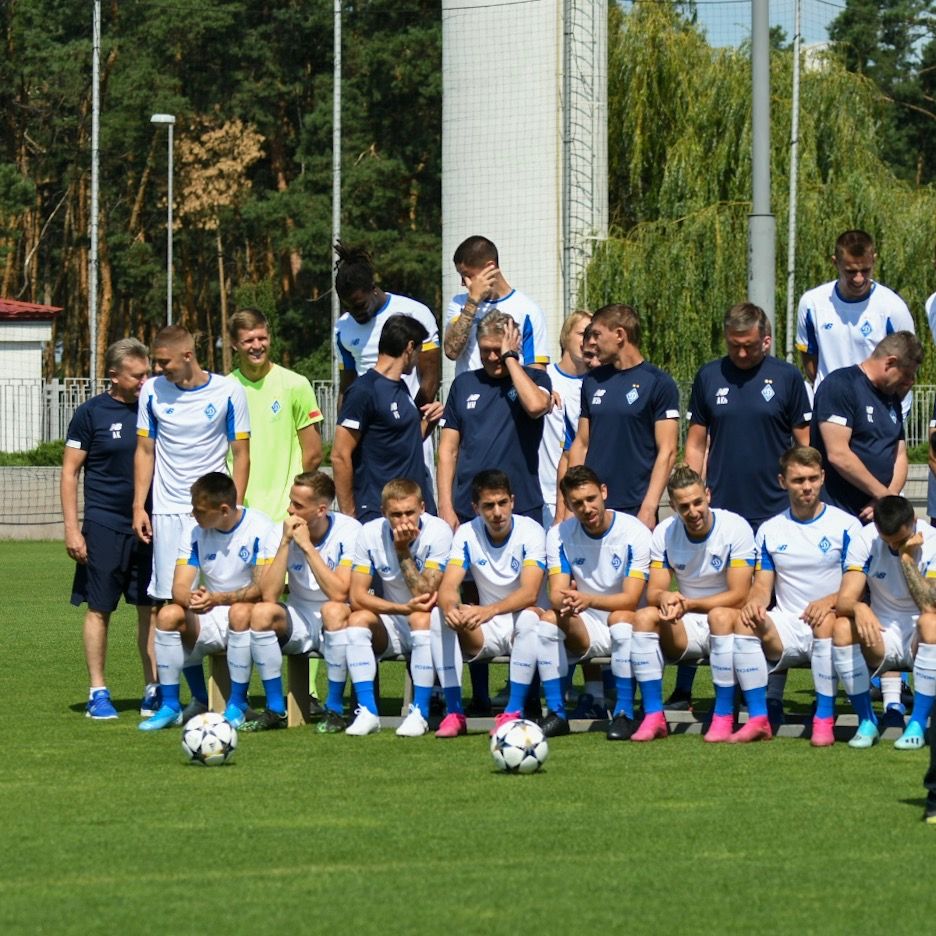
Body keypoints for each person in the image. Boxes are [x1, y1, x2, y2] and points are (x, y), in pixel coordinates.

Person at [677, 302, 812, 719]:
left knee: (765, 600)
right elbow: (697, 441)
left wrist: (800, 492)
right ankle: (704, 686)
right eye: (734, 346)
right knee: (716, 593)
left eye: (748, 346)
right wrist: (690, 487)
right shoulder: (709, 376)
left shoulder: (787, 378)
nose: (740, 353)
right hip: (723, 510)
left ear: (765, 340)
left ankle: (769, 691)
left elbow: (804, 446)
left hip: (773, 509)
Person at [706, 446, 862, 745]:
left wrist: (829, 602)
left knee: (825, 622)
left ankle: (824, 719)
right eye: (798, 480)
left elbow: (856, 584)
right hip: (788, 624)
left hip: (831, 620)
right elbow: (764, 584)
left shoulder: (847, 526)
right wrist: (754, 602)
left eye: (812, 479)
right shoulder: (770, 529)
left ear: (823, 478)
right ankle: (758, 718)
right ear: (782, 481)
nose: (807, 487)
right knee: (744, 621)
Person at [134, 325, 251, 715]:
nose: (158, 368)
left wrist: (233, 507)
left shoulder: (228, 390)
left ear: (187, 355)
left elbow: (241, 453)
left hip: (212, 514)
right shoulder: (151, 390)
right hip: (168, 512)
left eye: (163, 361)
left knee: (229, 600)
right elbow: (145, 450)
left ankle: (236, 698)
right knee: (174, 605)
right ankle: (192, 700)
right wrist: (140, 506)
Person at [62, 338, 157, 719]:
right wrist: (72, 529)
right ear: (114, 376)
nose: (144, 381)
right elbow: (69, 473)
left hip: (150, 525)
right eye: (137, 375)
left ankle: (154, 688)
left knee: (150, 609)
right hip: (103, 525)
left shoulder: (155, 408)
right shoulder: (90, 413)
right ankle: (98, 693)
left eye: (148, 373)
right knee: (100, 609)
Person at [139, 472, 279, 731]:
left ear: (224, 509)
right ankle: (174, 704)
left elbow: (264, 590)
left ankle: (237, 703)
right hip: (210, 612)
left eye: (200, 510)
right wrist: (192, 600)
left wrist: (216, 598)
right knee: (168, 614)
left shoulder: (261, 527)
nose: (194, 515)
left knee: (239, 612)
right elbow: (178, 586)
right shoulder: (194, 532)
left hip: (251, 617)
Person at [629, 466, 755, 743]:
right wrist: (665, 598)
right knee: (644, 617)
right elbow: (656, 591)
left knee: (720, 616)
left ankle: (723, 715)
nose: (693, 511)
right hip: (688, 622)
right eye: (684, 506)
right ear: (673, 506)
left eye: (698, 502)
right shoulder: (664, 532)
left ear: (708, 495)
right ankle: (653, 716)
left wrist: (691, 604)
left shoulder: (735, 527)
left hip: (729, 621)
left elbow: (740, 595)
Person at [321, 479, 452, 736]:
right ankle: (368, 712)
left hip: (430, 620)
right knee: (358, 619)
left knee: (421, 619)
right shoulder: (369, 533)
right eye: (395, 514)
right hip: (394, 617)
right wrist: (401, 608)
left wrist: (402, 550)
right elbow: (357, 596)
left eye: (409, 513)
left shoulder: (439, 531)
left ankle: (420, 713)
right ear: (383, 513)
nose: (403, 521)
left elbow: (424, 595)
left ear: (422, 508)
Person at [534, 466, 651, 739]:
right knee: (548, 621)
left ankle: (624, 713)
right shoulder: (560, 535)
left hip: (630, 621)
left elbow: (631, 599)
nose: (586, 508)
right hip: (586, 621)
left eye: (591, 499)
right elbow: (556, 594)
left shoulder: (634, 532)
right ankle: (556, 713)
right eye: (577, 503)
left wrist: (587, 599)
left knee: (620, 618)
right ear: (569, 506)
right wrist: (573, 600)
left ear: (604, 493)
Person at [242, 471, 362, 732]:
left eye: (298, 505)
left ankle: (334, 709)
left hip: (341, 616)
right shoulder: (279, 532)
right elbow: (270, 595)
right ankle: (275, 709)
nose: (289, 509)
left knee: (332, 610)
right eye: (290, 502)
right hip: (300, 616)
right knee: (262, 613)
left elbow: (339, 593)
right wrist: (285, 543)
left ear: (321, 510)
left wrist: (307, 547)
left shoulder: (349, 530)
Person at [431, 470, 546, 738]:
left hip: (525, 624)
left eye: (502, 503)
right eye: (488, 506)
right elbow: (448, 587)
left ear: (513, 501)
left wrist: (488, 610)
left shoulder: (531, 531)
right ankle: (454, 713)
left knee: (530, 616)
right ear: (476, 508)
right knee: (440, 617)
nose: (497, 512)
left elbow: (530, 592)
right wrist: (451, 609)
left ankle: (513, 711)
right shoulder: (466, 534)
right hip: (487, 626)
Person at [833, 495, 936, 750]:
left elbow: (930, 605)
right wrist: (859, 607)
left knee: (931, 622)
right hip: (881, 634)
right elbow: (844, 599)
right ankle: (867, 721)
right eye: (887, 541)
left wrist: (906, 559)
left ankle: (917, 724)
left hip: (920, 635)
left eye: (899, 541)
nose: (893, 546)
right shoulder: (866, 539)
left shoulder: (933, 541)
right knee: (842, 627)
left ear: (914, 522)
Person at [566, 303, 679, 529]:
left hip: (635, 507)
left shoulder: (658, 383)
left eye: (597, 334)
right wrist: (571, 503)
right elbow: (581, 443)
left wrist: (648, 508)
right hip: (591, 505)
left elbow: (668, 451)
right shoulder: (592, 381)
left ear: (619, 335)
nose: (592, 341)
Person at [333, 242, 440, 480]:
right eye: (348, 307)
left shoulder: (415, 313)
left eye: (359, 305)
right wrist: (346, 430)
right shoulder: (342, 328)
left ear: (373, 289)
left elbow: (431, 379)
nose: (355, 313)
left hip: (411, 431)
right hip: (369, 434)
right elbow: (347, 386)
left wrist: (411, 426)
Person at [437, 310, 552, 528]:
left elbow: (536, 406)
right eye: (485, 350)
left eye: (498, 350)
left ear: (514, 345)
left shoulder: (536, 379)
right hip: (469, 507)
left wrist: (510, 359)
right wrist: (445, 505)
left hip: (521, 505)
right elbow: (447, 450)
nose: (491, 357)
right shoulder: (463, 384)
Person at [331, 315, 442, 522]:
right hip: (380, 512)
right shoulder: (364, 390)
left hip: (413, 508)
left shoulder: (401, 386)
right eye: (418, 351)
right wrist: (349, 516)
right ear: (410, 348)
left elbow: (403, 440)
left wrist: (429, 422)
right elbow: (339, 455)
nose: (418, 359)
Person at [796, 229, 915, 407]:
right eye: (851, 271)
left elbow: (907, 368)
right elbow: (811, 363)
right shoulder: (811, 303)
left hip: (878, 411)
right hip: (829, 410)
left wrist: (888, 412)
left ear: (874, 260)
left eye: (865, 270)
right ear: (835, 263)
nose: (859, 279)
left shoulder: (893, 308)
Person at [811, 331, 922, 521]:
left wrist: (887, 497)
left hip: (878, 514)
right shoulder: (841, 385)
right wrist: (883, 496)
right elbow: (838, 454)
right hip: (840, 514)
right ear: (890, 363)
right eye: (907, 375)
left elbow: (900, 455)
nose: (909, 382)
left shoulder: (891, 397)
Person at [228, 307, 323, 521]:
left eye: (262, 338)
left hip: (285, 514)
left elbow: (314, 453)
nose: (257, 346)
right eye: (248, 341)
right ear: (234, 344)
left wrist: (296, 500)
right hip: (239, 512)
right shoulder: (225, 389)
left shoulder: (295, 385)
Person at [443, 234, 550, 376]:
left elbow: (537, 371)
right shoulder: (459, 303)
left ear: (490, 268)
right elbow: (451, 351)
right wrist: (473, 301)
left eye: (467, 275)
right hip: (470, 394)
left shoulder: (528, 310)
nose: (463, 283)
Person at [539, 310, 592, 527]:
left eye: (592, 335)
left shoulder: (596, 384)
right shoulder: (543, 378)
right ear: (565, 336)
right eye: (582, 334)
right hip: (541, 493)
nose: (587, 341)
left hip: (578, 496)